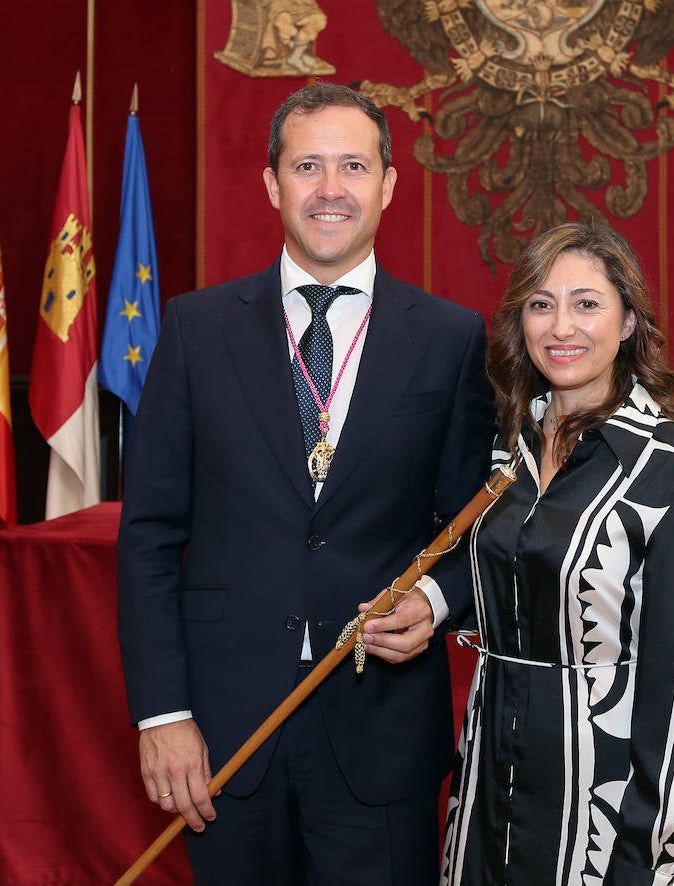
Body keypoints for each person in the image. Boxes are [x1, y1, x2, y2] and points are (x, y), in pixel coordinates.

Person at [116, 81, 494, 885]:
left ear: (388, 185)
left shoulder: (453, 337)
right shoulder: (195, 328)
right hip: (223, 728)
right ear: (271, 184)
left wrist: (434, 603)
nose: (331, 189)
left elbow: (472, 524)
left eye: (353, 166)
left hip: (382, 731)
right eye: (308, 166)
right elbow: (148, 536)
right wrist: (162, 713)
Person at [409, 221, 674, 885]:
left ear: (630, 322)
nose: (562, 326)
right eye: (540, 304)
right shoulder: (509, 449)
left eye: (587, 303)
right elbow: (509, 579)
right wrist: (434, 604)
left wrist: (649, 852)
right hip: (486, 788)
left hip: (602, 817)